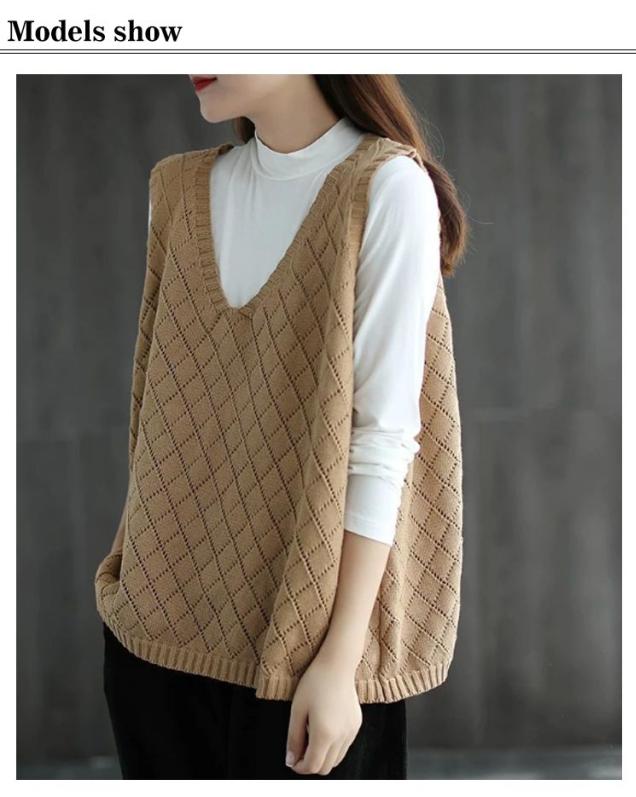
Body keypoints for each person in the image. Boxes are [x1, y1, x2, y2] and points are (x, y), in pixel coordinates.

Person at [95, 74, 467, 780]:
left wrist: (340, 661)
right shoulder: (176, 190)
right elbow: (157, 408)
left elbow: (382, 440)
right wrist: (126, 584)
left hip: (304, 658)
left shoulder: (386, 188)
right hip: (151, 634)